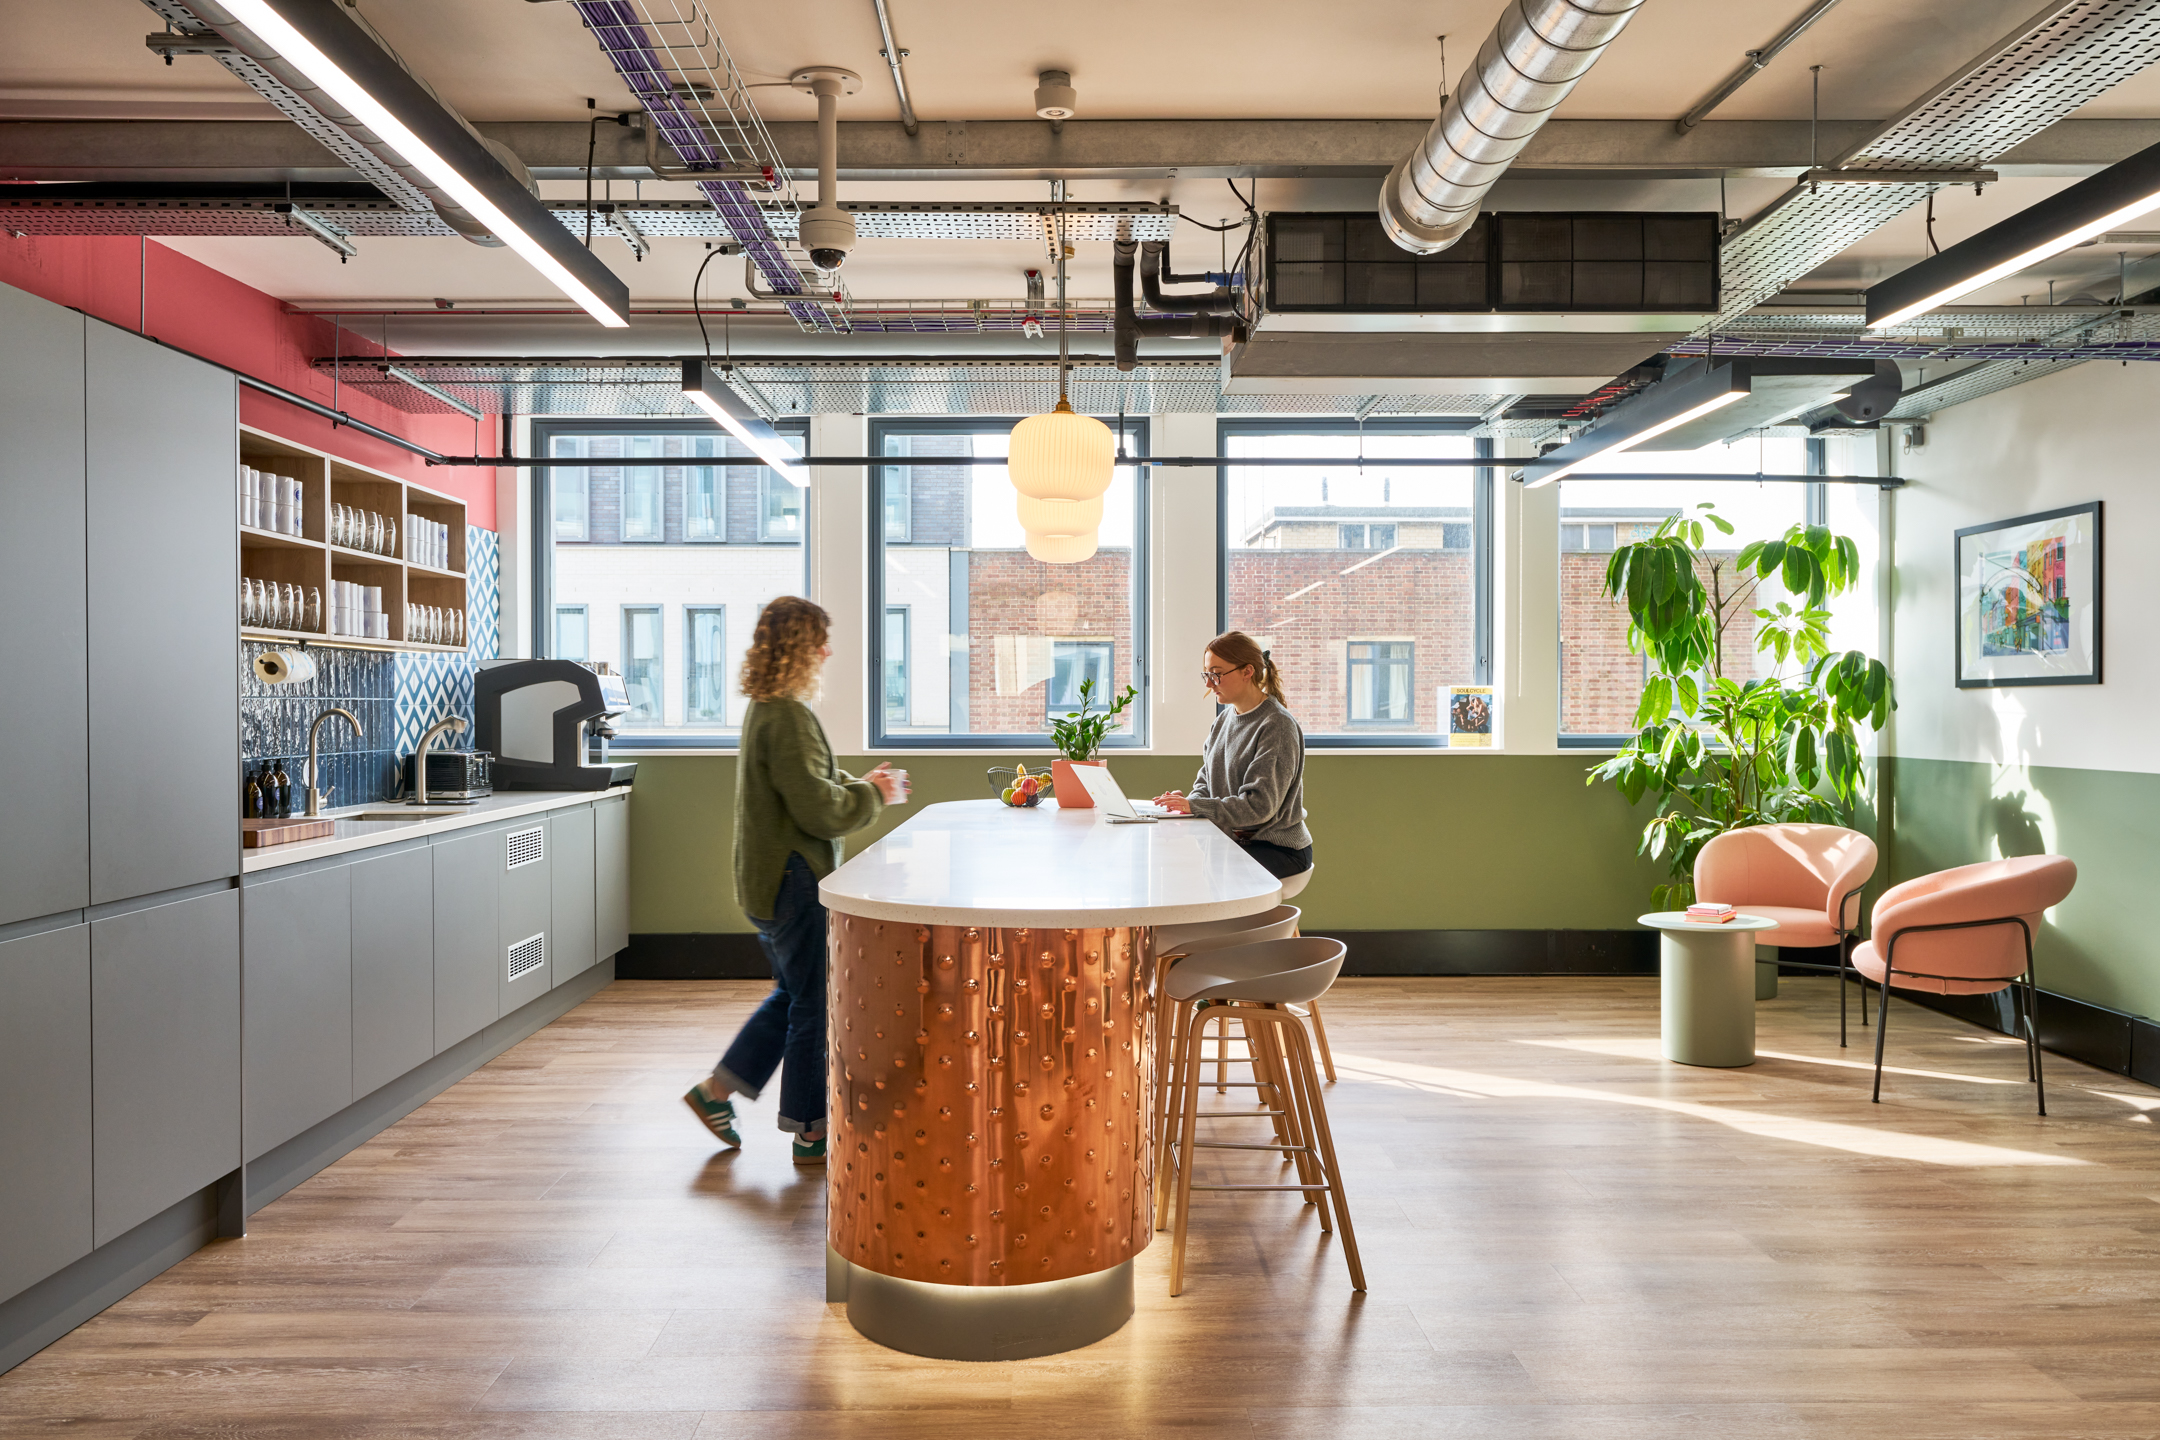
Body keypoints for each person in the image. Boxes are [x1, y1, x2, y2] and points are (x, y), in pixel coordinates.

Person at [683, 597, 907, 1164]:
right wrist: (875, 795)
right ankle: (811, 1129)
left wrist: (860, 784)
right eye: (820, 641)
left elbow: (812, 782)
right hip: (795, 881)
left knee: (793, 994)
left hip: (766, 881)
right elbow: (817, 810)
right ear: (799, 647)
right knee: (816, 1003)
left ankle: (716, 1092)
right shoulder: (787, 714)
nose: (828, 651)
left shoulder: (768, 708)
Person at [1152, 630, 1313, 881]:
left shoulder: (1277, 725)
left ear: (1247, 671)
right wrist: (1187, 805)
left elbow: (1259, 807)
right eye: (1207, 674)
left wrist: (1195, 806)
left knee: (1210, 875)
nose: (1208, 683)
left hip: (1278, 848)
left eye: (1216, 674)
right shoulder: (1223, 720)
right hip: (1239, 841)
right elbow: (1205, 783)